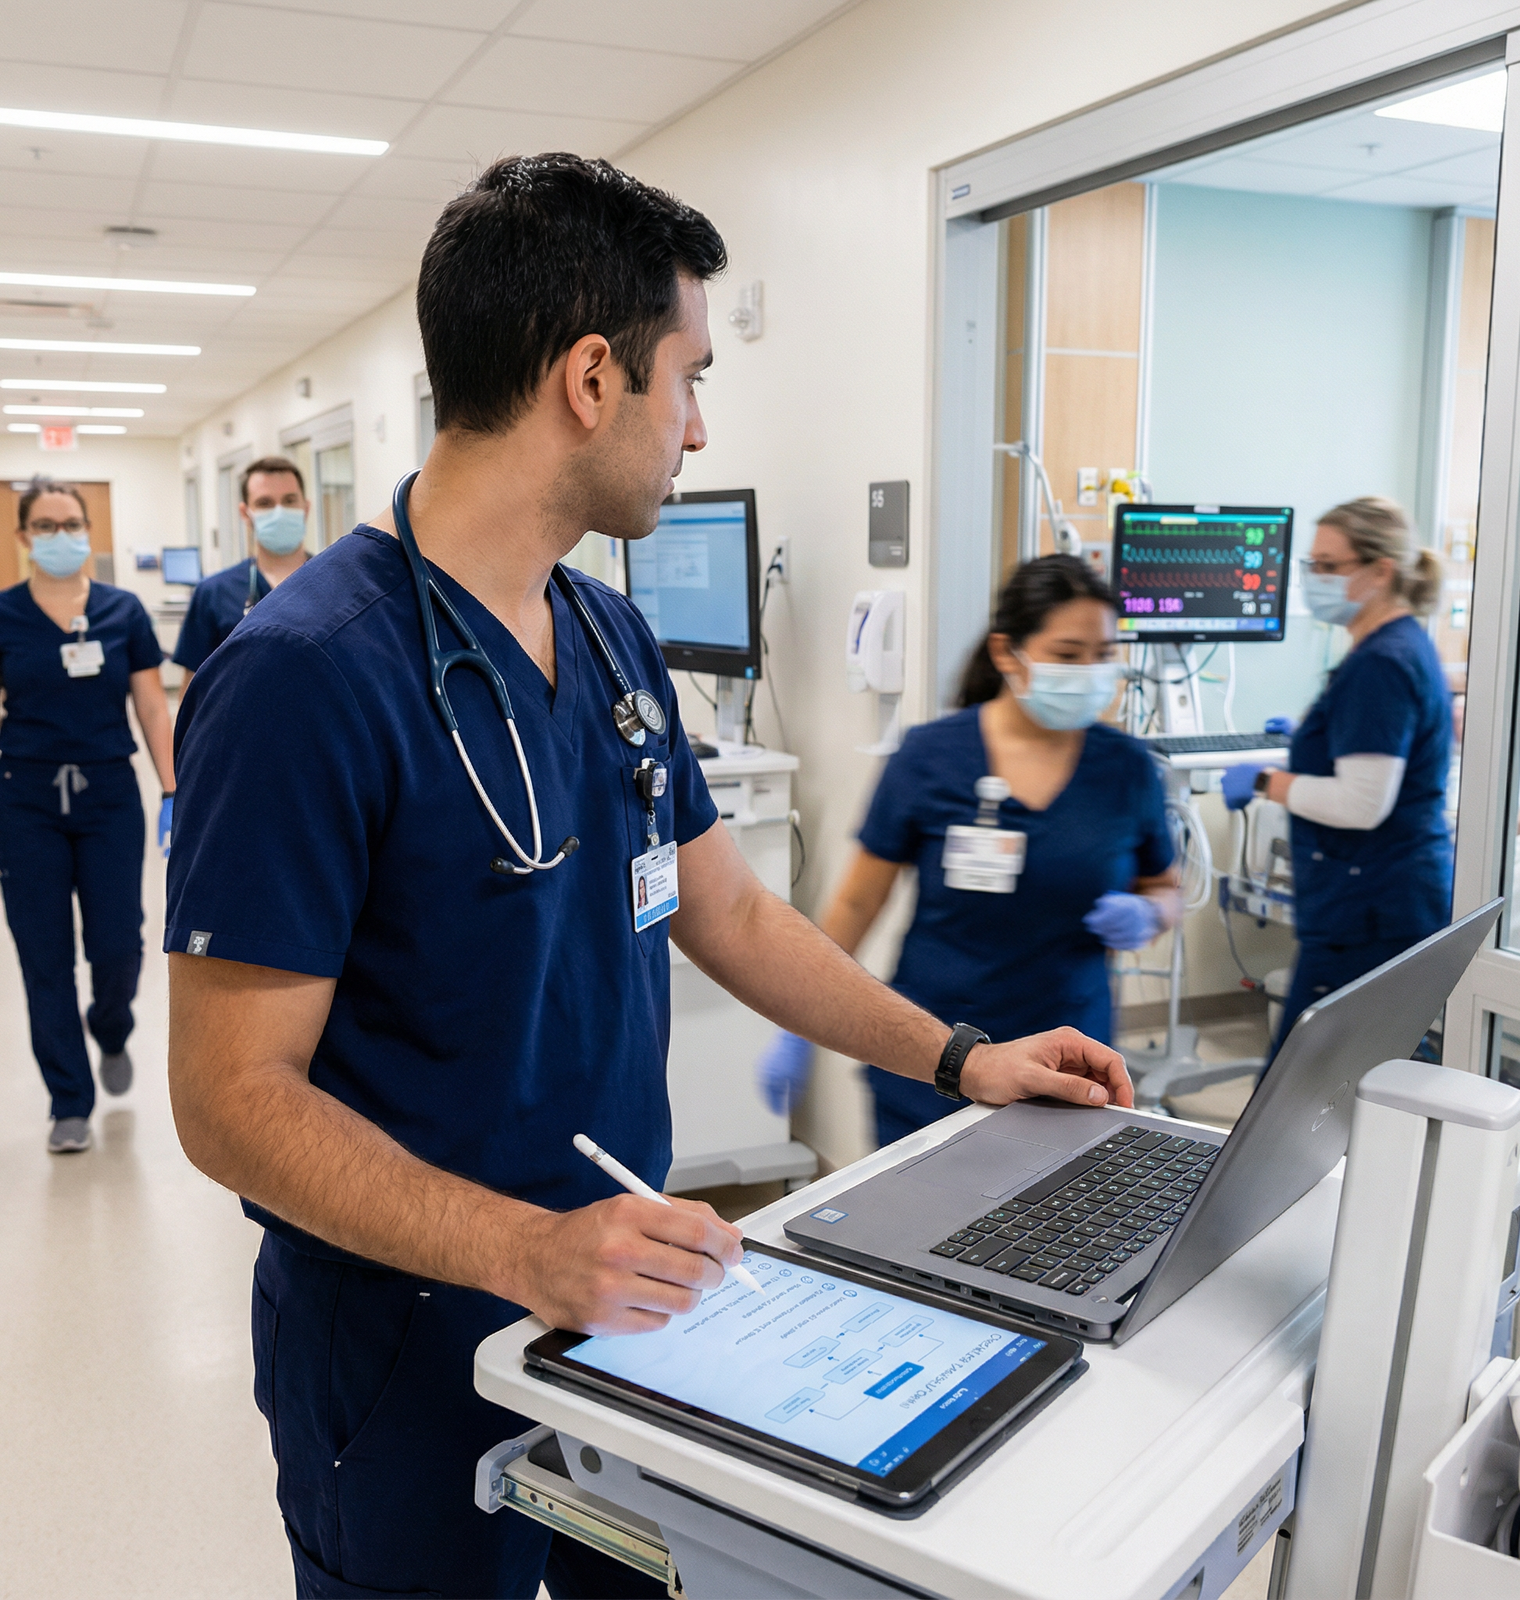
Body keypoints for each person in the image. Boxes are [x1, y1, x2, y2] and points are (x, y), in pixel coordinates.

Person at [164, 154, 1130, 1600]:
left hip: (632, 1295)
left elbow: (728, 911)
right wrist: (523, 1248)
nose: (699, 423)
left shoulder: (607, 641)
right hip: (410, 1337)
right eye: (690, 374)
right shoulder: (305, 677)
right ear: (592, 378)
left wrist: (962, 1056)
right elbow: (228, 1102)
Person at [759, 555, 1182, 1147]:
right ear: (1009, 653)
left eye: (1104, 654)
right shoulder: (931, 758)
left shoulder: (1127, 769)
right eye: (1067, 654)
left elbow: (1165, 886)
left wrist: (1151, 913)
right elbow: (856, 905)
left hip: (1069, 1064)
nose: (1090, 671)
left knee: (1048, 1230)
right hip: (936, 1058)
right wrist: (800, 1023)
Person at [1222, 496, 1452, 1056]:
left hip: (1371, 906)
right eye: (1311, 565)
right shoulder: (1395, 648)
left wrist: (1263, 783)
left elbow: (1360, 803)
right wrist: (1314, 732)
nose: (1314, 579)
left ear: (1380, 571)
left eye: (1330, 566)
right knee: (1368, 1072)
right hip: (1380, 899)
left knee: (1305, 1087)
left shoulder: (1380, 662)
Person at [0, 477, 174, 1153]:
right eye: (44, 526)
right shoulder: (6, 614)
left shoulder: (122, 611)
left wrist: (171, 790)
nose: (60, 535)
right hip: (25, 797)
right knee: (43, 957)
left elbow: (153, 707)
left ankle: (111, 1027)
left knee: (118, 945)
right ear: (22, 539)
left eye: (70, 523)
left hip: (107, 795)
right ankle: (68, 1100)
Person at [172, 455, 311, 687]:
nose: (279, 512)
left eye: (289, 501)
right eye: (265, 503)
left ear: (305, 508)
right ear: (246, 513)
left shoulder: (337, 583)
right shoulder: (214, 592)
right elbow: (192, 690)